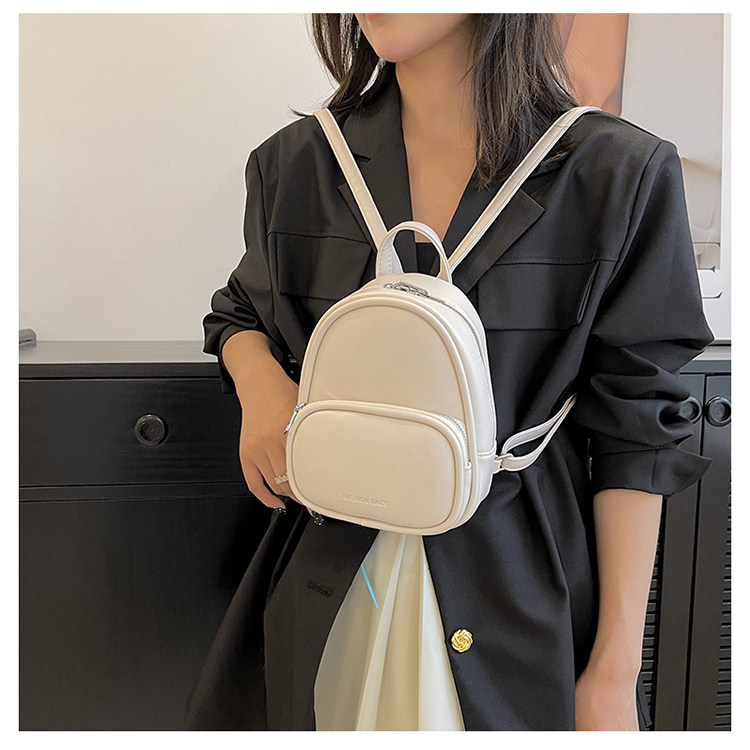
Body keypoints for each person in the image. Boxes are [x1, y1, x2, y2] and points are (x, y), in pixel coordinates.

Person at [185, 13, 713, 731]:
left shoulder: (614, 174)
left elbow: (636, 431)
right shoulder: (297, 163)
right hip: (329, 589)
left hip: (519, 594)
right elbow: (240, 311)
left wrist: (614, 672)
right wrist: (260, 387)